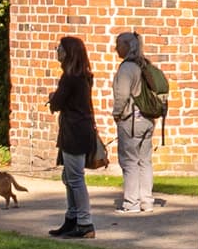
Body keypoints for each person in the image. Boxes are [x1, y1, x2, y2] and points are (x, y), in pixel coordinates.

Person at [47, 34, 103, 238]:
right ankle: (72, 218)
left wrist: (53, 97)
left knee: (75, 178)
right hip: (80, 130)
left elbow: (58, 103)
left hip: (74, 132)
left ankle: (85, 222)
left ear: (68, 53)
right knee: (69, 177)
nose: (57, 51)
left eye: (60, 48)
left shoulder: (70, 78)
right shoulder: (83, 77)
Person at [108, 30, 164, 215]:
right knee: (145, 161)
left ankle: (131, 202)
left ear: (127, 46)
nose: (116, 48)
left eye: (118, 44)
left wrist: (117, 114)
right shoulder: (144, 65)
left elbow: (122, 95)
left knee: (129, 161)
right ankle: (146, 201)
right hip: (148, 119)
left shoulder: (126, 68)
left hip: (131, 120)